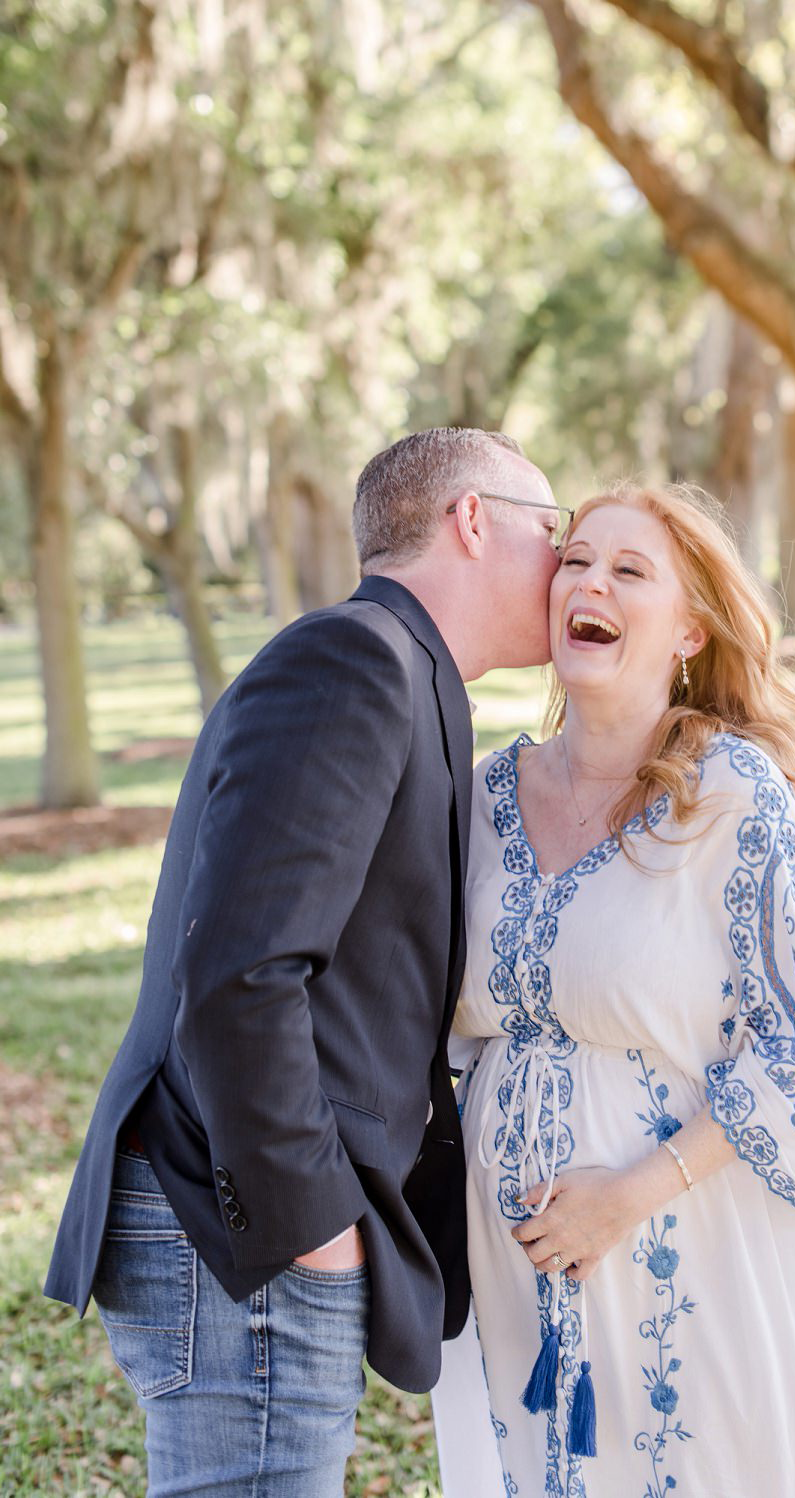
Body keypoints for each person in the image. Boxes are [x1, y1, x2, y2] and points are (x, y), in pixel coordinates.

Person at [45, 426, 568, 1496]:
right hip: (243, 1226)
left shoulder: (408, 673)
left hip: (247, 1219)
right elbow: (240, 970)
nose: (565, 564)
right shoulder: (357, 661)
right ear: (472, 520)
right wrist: (310, 1226)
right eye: (550, 530)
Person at [440, 482, 795, 1498]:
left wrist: (627, 1196)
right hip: (511, 1271)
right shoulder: (481, 797)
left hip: (699, 1249)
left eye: (628, 570)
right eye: (576, 560)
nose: (588, 581)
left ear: (687, 628)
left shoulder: (729, 795)